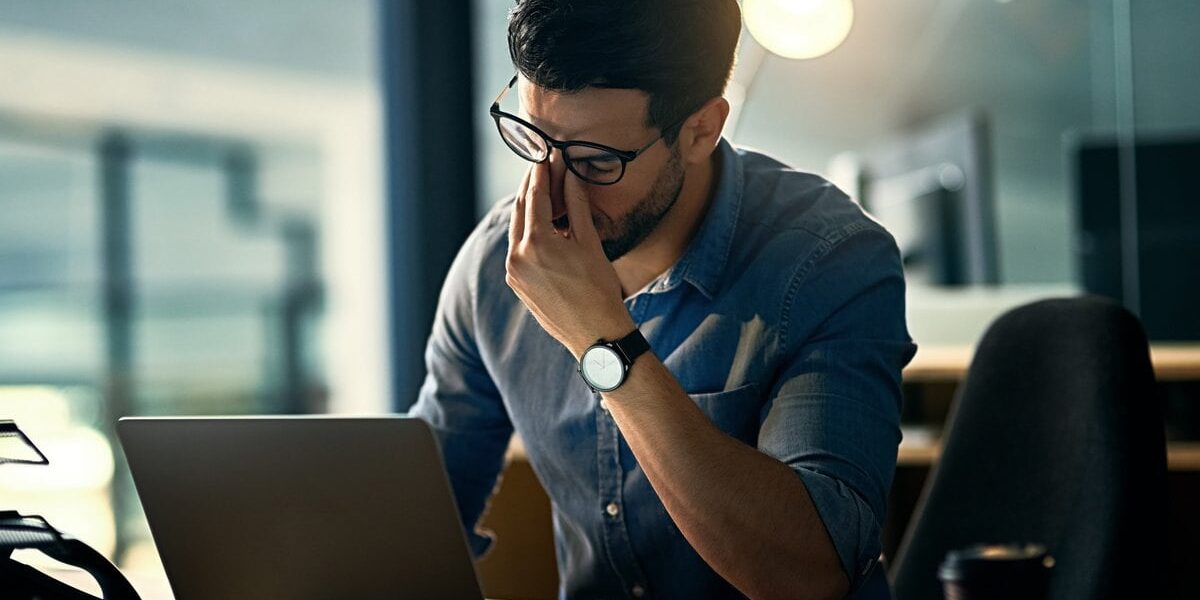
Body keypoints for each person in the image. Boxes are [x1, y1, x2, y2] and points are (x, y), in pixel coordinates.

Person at [409, 1, 915, 598]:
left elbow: (810, 573)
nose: (550, 189)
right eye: (532, 138)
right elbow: (419, 520)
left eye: (596, 162)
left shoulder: (828, 260)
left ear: (701, 129)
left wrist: (601, 340)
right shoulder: (495, 264)